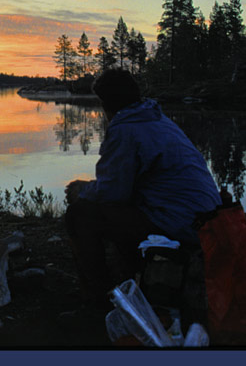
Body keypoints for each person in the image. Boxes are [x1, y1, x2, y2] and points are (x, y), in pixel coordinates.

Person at [64, 68, 221, 305]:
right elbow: (125, 186)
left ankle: (98, 297)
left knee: (80, 214)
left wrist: (81, 190)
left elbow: (111, 194)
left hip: (182, 224)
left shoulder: (125, 128)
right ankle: (134, 273)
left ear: (106, 103)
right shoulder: (157, 118)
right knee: (122, 209)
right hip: (207, 220)